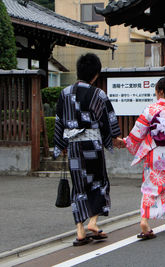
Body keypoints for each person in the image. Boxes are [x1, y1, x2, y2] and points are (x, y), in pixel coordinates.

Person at [115, 76, 165, 240]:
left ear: (160, 91)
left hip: (156, 153)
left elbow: (139, 131)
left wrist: (126, 142)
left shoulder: (151, 109)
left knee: (150, 187)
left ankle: (145, 221)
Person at [53, 53, 121, 246]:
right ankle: (93, 222)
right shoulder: (98, 94)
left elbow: (59, 121)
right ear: (96, 74)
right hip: (93, 145)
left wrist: (61, 145)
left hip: (74, 146)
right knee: (98, 182)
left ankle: (80, 231)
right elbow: (108, 120)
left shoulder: (64, 94)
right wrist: (115, 139)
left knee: (79, 187)